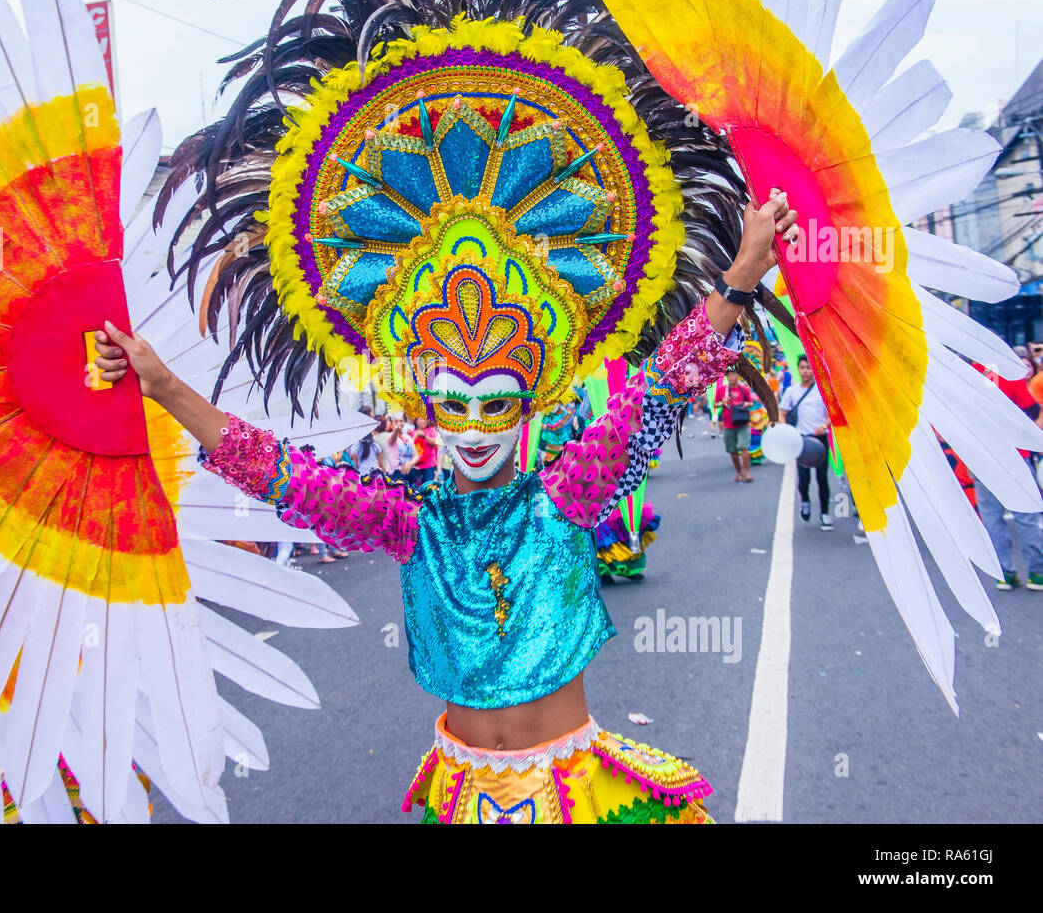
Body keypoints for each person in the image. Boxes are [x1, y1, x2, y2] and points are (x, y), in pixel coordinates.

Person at [94, 173, 799, 823]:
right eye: (451, 403)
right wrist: (164, 386)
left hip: (573, 795)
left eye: (494, 402)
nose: (471, 425)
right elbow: (277, 471)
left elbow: (663, 387)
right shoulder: (407, 523)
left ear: (528, 406)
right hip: (461, 797)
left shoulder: (569, 492)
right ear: (428, 409)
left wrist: (742, 273)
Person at [974, 350, 1043, 590]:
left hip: (980, 455)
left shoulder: (964, 373)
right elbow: (1032, 409)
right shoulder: (1008, 373)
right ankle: (1037, 573)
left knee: (992, 517)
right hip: (1012, 454)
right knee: (1026, 513)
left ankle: (1004, 573)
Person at [779, 355, 834, 530]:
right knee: (803, 480)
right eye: (802, 367)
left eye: (808, 368)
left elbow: (830, 414)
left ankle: (825, 514)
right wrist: (787, 430)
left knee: (822, 478)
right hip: (800, 441)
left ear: (814, 369)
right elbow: (782, 413)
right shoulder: (791, 392)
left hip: (819, 440)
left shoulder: (822, 391)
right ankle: (805, 501)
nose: (805, 371)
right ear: (798, 369)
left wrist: (823, 426)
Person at [715, 367, 754, 483]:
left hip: (742, 422)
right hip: (728, 424)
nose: (732, 377)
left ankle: (747, 472)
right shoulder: (722, 390)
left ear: (738, 375)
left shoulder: (743, 389)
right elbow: (716, 405)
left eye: (734, 374)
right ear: (726, 377)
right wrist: (723, 402)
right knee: (732, 450)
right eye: (730, 375)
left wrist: (744, 404)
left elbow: (750, 403)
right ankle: (739, 472)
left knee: (744, 447)